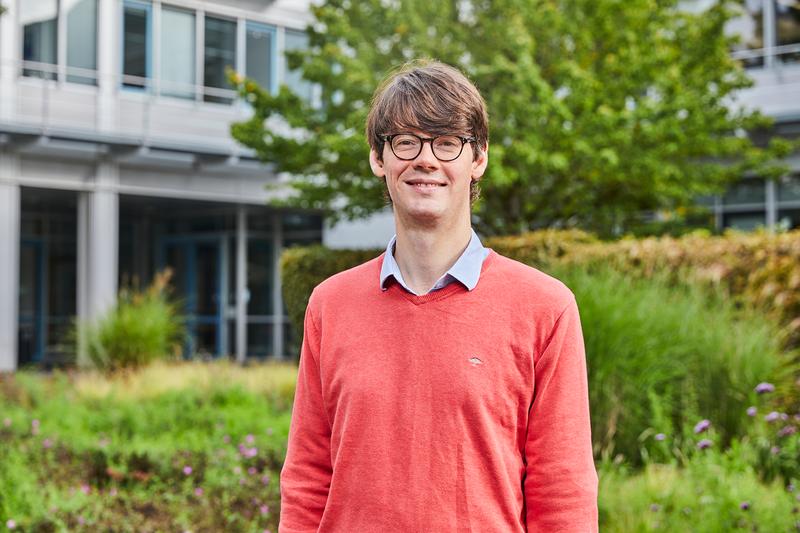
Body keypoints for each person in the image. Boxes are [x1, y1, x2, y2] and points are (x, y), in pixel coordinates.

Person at [279, 60, 598, 532]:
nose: (425, 159)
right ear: (378, 158)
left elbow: (563, 491)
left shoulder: (544, 308)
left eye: (447, 143)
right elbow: (307, 476)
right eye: (405, 142)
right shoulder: (330, 304)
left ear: (479, 159)